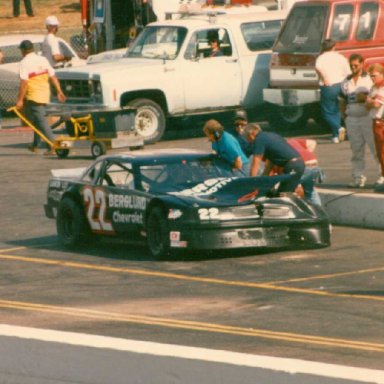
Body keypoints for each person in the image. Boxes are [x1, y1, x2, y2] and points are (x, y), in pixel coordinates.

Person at [16, 40, 66, 154]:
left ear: (23, 50)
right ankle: (36, 144)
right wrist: (59, 91)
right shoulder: (42, 59)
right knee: (36, 120)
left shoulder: (24, 62)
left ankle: (53, 145)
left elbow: (24, 83)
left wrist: (19, 100)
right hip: (45, 94)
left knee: (41, 121)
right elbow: (53, 76)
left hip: (34, 96)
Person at [340, 54, 379, 188]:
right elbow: (342, 100)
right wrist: (344, 117)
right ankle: (358, 177)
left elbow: (376, 95)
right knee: (356, 150)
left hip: (367, 117)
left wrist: (364, 98)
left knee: (375, 148)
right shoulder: (346, 81)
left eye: (356, 65)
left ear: (362, 64)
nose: (353, 67)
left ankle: (382, 176)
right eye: (351, 65)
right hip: (352, 118)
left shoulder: (368, 79)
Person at [244, 123, 305, 193]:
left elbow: (255, 163)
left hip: (292, 165)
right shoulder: (271, 135)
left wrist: (252, 184)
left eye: (247, 138)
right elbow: (270, 164)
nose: (248, 141)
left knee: (283, 195)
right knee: (286, 192)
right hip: (299, 163)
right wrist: (262, 180)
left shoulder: (259, 139)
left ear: (251, 134)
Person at [315, 39, 351, 143]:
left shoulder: (321, 58)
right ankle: (335, 136)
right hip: (342, 84)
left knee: (328, 111)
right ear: (333, 47)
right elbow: (348, 72)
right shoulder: (340, 57)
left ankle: (338, 127)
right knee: (338, 109)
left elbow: (318, 67)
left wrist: (324, 77)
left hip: (329, 85)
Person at [365, 63, 384, 185]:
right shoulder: (373, 88)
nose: (372, 78)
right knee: (380, 152)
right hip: (375, 122)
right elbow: (367, 106)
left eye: (374, 76)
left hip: (381, 122)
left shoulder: (382, 87)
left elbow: (376, 104)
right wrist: (370, 101)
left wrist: (369, 101)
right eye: (370, 76)